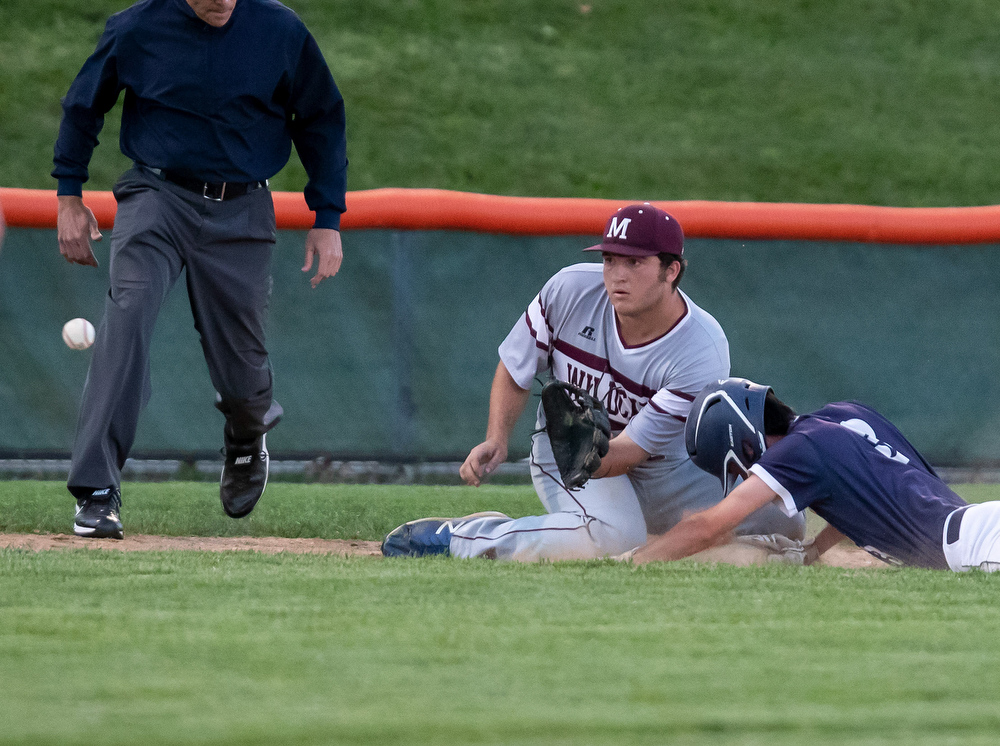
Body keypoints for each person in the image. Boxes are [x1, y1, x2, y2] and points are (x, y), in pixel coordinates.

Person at [53, 0, 348, 539]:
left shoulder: (279, 29)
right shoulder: (137, 27)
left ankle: (246, 434)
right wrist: (69, 195)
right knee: (127, 319)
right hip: (156, 196)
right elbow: (83, 106)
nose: (222, 2)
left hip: (243, 207)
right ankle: (96, 491)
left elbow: (322, 117)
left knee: (243, 368)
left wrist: (327, 216)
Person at [382, 204, 804, 561]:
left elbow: (630, 454)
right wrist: (497, 437)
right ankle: (461, 540)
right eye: (609, 260)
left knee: (785, 517)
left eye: (634, 262)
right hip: (568, 444)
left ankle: (563, 530)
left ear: (670, 270)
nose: (617, 275)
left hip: (655, 464)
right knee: (616, 538)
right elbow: (515, 368)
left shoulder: (701, 347)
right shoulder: (569, 290)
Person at [630, 378, 999, 571]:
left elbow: (707, 527)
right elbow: (859, 497)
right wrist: (812, 551)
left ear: (743, 446)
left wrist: (637, 561)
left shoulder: (798, 450)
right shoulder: (842, 416)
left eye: (738, 469)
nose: (748, 476)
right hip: (976, 526)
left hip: (974, 547)